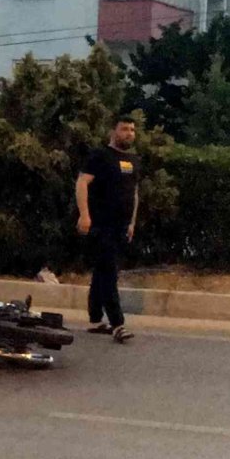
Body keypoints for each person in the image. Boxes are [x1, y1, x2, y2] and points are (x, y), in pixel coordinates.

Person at [76, 115, 140, 344]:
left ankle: (95, 319)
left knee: (102, 271)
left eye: (132, 130)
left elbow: (134, 193)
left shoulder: (133, 160)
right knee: (109, 272)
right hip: (100, 225)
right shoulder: (100, 156)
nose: (129, 133)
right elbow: (82, 182)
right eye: (125, 129)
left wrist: (131, 222)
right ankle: (118, 323)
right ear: (113, 131)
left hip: (120, 226)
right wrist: (84, 215)